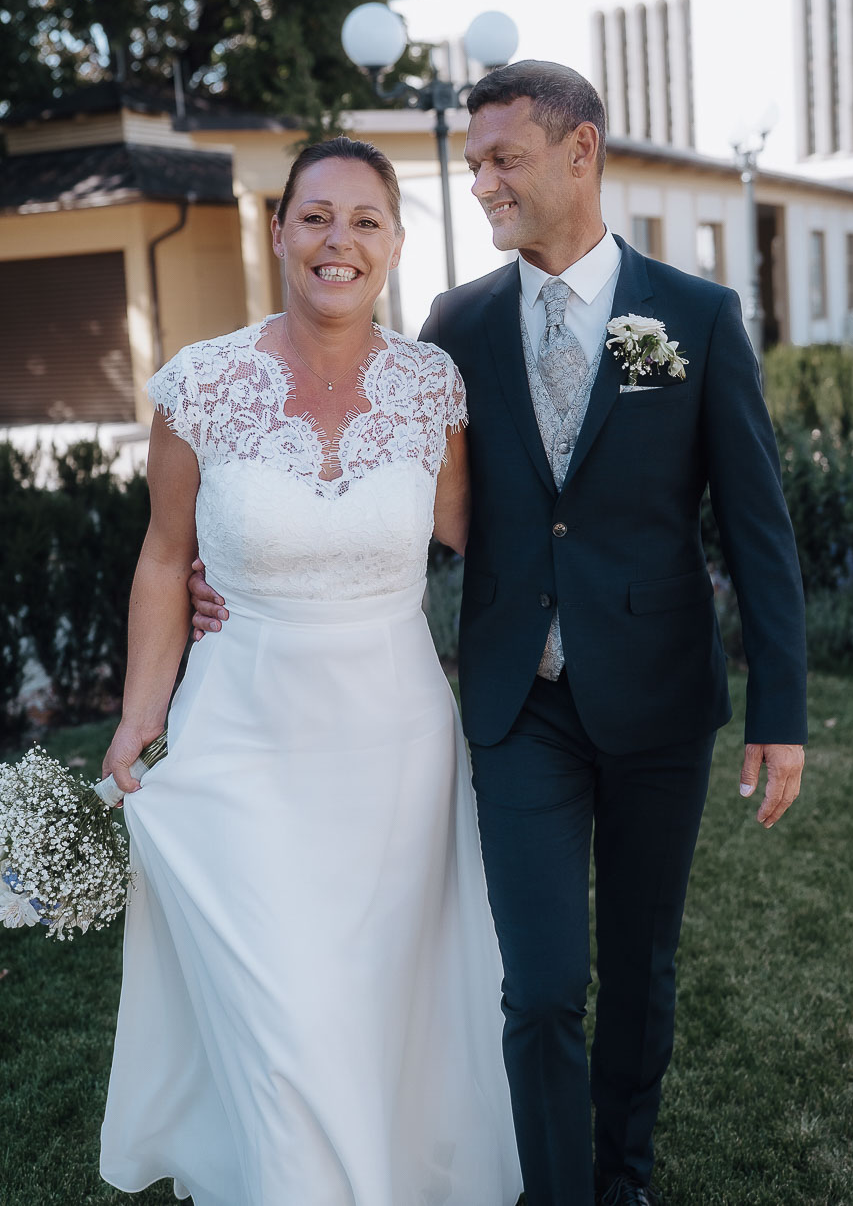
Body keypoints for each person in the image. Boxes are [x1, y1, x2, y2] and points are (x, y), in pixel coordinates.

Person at [192, 62, 808, 1206]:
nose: (479, 183)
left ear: (581, 152)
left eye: (502, 159)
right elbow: (402, 500)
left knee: (640, 966)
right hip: (517, 705)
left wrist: (782, 709)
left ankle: (622, 1176)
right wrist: (236, 565)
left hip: (659, 697)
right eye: (473, 162)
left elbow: (757, 528)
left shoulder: (696, 316)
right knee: (539, 984)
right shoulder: (455, 326)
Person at [99, 136, 521, 1206]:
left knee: (373, 1001)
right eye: (318, 216)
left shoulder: (432, 387)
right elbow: (164, 557)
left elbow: (479, 534)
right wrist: (139, 715)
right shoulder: (201, 385)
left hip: (395, 747)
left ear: (396, 243)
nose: (341, 240)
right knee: (280, 1007)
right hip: (244, 733)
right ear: (280, 229)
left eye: (365, 220)